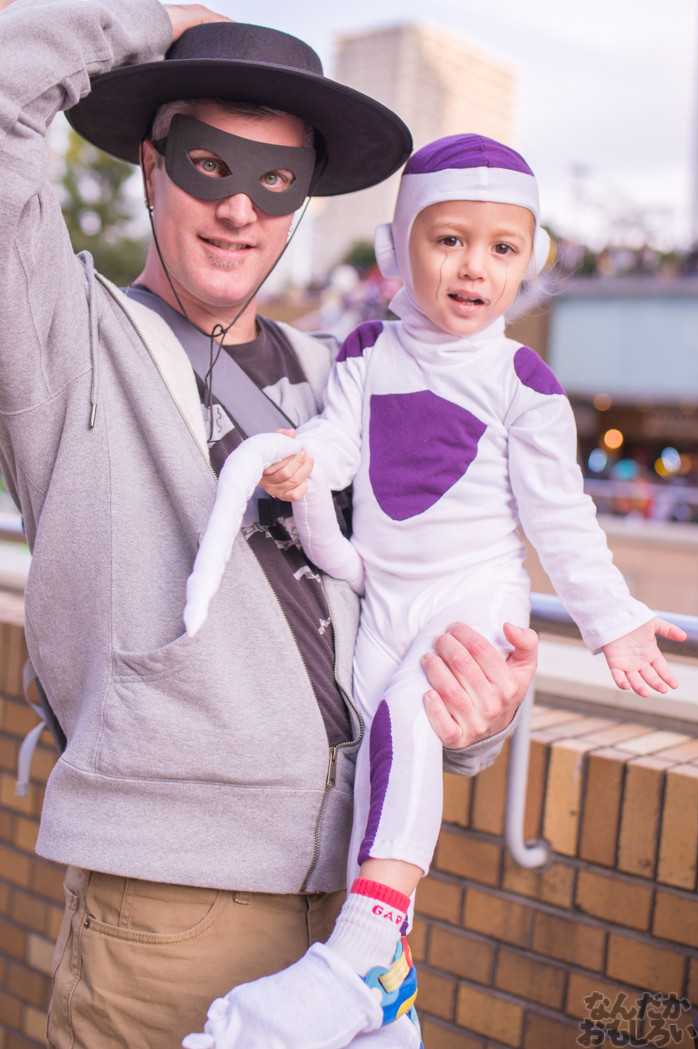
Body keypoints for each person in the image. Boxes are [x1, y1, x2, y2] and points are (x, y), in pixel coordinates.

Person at [0, 3, 538, 1048]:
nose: (240, 207)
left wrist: (474, 713)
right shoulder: (65, 344)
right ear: (151, 167)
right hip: (168, 919)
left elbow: (419, 593)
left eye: (276, 179)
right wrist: (153, 18)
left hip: (357, 928)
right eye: (209, 164)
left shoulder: (349, 376)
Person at [181, 134, 687, 1049]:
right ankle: (384, 983)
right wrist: (298, 463)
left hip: (471, 605)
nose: (474, 267)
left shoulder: (524, 382)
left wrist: (613, 620)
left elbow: (563, 520)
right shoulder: (367, 349)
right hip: (384, 607)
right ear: (399, 247)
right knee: (375, 762)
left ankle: (361, 954)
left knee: (411, 721)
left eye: (502, 247)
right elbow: (339, 446)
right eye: (449, 239)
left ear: (529, 261)